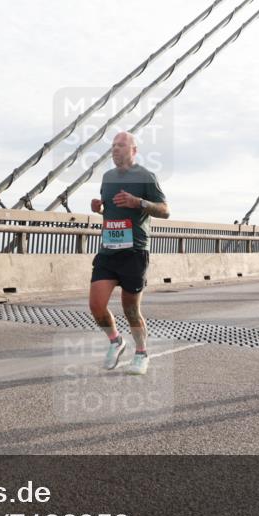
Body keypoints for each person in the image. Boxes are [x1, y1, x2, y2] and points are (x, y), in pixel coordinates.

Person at [89, 132, 169, 375]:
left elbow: (165, 210)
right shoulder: (107, 177)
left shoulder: (146, 176)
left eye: (121, 145)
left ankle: (142, 352)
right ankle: (116, 341)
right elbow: (111, 212)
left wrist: (139, 202)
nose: (115, 149)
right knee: (96, 305)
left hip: (134, 251)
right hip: (108, 250)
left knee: (131, 309)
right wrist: (99, 208)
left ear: (133, 150)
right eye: (113, 145)